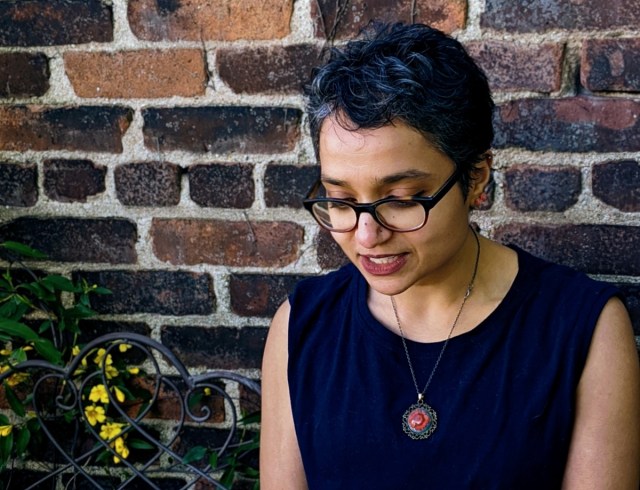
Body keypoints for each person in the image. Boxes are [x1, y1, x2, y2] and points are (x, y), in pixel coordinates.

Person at [260, 22, 640, 489]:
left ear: (476, 177)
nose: (365, 234)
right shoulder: (303, 326)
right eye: (340, 200)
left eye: (400, 198)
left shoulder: (583, 328)